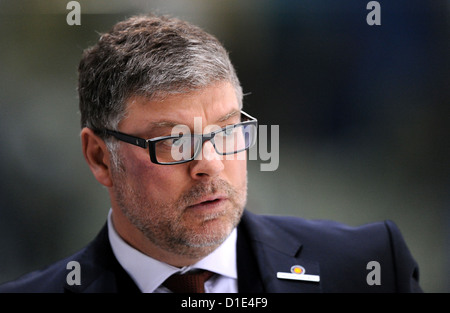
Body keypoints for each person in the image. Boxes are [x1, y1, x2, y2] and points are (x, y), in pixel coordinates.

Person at [0, 14, 422, 293]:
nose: (210, 164)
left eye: (226, 132)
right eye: (174, 141)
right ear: (99, 158)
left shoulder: (371, 267)